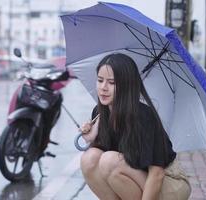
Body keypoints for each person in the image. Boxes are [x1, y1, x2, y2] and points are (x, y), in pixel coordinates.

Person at [80, 53, 191, 200]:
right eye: (100, 80)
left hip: (167, 183)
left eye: (112, 83)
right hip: (139, 178)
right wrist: (93, 137)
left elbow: (157, 174)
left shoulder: (143, 116)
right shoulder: (100, 113)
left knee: (110, 162)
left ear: (127, 85)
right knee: (90, 158)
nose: (103, 88)